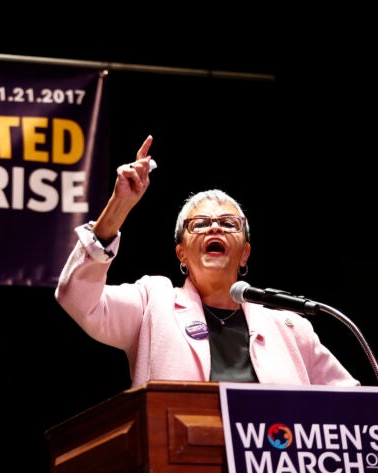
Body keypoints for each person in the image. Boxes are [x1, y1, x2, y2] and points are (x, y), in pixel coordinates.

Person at [55, 134, 360, 388]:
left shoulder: (290, 327)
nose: (215, 227)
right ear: (182, 255)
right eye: (199, 224)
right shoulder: (153, 303)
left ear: (245, 254)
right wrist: (118, 207)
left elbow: (353, 404)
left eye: (229, 223)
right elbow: (78, 300)